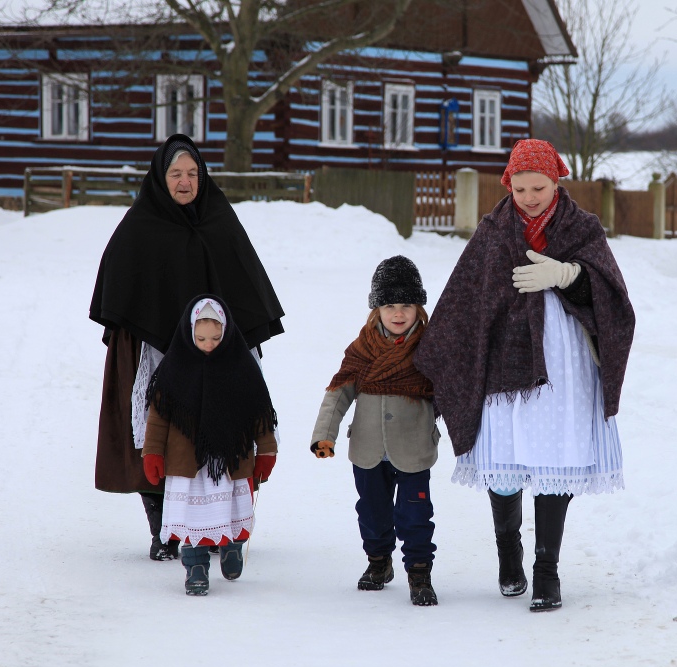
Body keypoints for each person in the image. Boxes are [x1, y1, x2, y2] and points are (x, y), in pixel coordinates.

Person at [413, 139, 635, 612]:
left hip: (563, 365)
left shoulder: (583, 228)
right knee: (505, 459)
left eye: (539, 186)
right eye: (520, 188)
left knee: (556, 459)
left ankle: (546, 572)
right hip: (504, 365)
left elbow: (613, 298)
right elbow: (464, 299)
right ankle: (508, 553)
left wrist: (569, 274)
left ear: (557, 182)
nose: (530, 196)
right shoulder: (493, 232)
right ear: (507, 185)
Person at [89, 134, 284, 561]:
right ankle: (164, 529)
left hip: (217, 350)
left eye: (193, 173)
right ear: (161, 178)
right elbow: (118, 290)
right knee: (159, 433)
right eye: (175, 173)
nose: (185, 182)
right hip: (153, 350)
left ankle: (219, 524)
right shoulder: (140, 226)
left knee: (221, 431)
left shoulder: (219, 219)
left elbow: (245, 283)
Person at [311, 256, 440, 606]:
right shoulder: (363, 349)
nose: (398, 314)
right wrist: (325, 433)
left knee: (415, 514)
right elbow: (338, 392)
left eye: (406, 305)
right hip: (368, 448)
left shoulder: (431, 348)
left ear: (418, 307)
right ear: (376, 309)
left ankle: (418, 571)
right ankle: (378, 562)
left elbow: (453, 391)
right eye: (389, 305)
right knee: (372, 511)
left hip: (413, 448)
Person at [142, 295, 278, 596]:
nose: (208, 344)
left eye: (216, 338)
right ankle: (196, 569)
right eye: (201, 338)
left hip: (230, 460)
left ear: (227, 333)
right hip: (187, 463)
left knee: (228, 510)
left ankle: (231, 545)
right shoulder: (173, 369)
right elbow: (158, 418)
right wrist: (152, 452)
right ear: (189, 333)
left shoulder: (241, 367)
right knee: (193, 519)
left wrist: (266, 450)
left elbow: (259, 413)